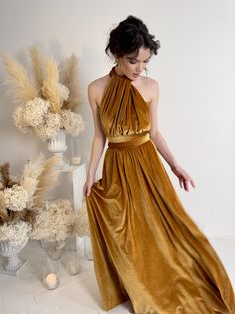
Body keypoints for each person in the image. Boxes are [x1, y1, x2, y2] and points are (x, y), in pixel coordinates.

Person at [83, 15, 235, 314]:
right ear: (116, 54)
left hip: (147, 165)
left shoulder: (151, 87)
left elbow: (153, 133)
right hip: (116, 164)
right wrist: (90, 174)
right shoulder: (96, 89)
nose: (139, 68)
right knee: (125, 229)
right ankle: (134, 282)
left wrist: (176, 166)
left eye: (145, 62)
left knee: (171, 226)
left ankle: (183, 276)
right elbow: (100, 136)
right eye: (132, 61)